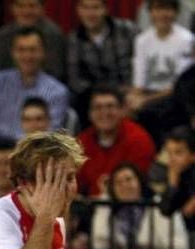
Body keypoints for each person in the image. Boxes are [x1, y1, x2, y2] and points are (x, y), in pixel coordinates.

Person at [0, 26, 69, 149]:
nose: (27, 56)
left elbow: (52, 133)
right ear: (13, 53)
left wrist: (23, 151)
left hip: (36, 153)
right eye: (21, 50)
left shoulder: (58, 91)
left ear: (43, 52)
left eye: (33, 50)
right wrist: (0, 147)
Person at [126, 0, 195, 145]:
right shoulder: (142, 40)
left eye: (168, 9)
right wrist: (134, 98)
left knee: (152, 111)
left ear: (176, 13)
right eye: (158, 9)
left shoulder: (186, 39)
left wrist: (145, 100)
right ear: (150, 12)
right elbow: (139, 78)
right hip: (148, 94)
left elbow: (180, 84)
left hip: (174, 95)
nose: (163, 14)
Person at [67, 0, 135, 128]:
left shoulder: (128, 30)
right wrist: (100, 96)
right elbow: (74, 79)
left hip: (128, 91)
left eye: (96, 8)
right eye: (85, 8)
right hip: (94, 95)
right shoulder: (74, 38)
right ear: (78, 11)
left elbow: (140, 64)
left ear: (106, 9)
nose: (91, 13)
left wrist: (130, 92)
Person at [78, 85, 156, 196]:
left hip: (128, 206)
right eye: (98, 107)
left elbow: (136, 186)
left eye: (110, 106)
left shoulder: (139, 140)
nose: (105, 113)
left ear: (123, 110)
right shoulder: (82, 142)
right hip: (88, 207)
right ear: (90, 114)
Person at [0, 0, 66, 82]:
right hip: (8, 88)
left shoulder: (54, 35)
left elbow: (56, 74)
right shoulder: (2, 36)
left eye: (32, 6)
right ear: (12, 8)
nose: (26, 11)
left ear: (42, 8)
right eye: (20, 6)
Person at [159, 125, 195, 249]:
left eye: (178, 153)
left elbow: (188, 211)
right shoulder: (176, 176)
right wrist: (172, 184)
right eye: (169, 153)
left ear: (193, 155)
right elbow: (165, 210)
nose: (172, 159)